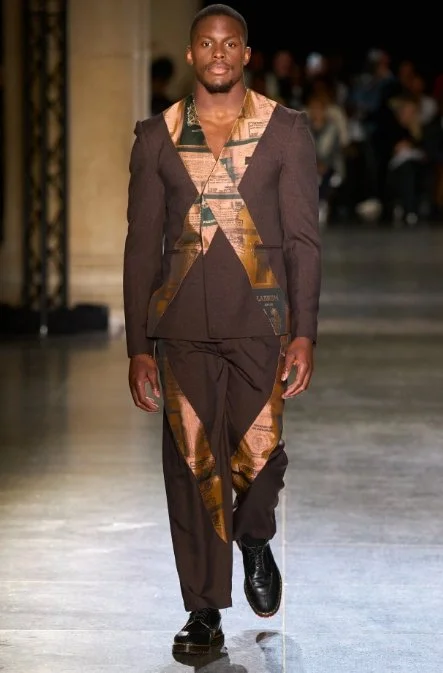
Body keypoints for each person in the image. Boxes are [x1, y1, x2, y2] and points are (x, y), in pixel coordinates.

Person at [123, 3, 321, 657]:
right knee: (192, 466)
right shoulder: (157, 135)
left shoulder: (284, 130)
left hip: (260, 324)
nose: (217, 53)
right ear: (191, 54)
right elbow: (140, 245)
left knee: (259, 461)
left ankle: (255, 535)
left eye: (229, 43)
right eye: (206, 43)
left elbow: (302, 238)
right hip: (180, 329)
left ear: (245, 54)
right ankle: (203, 608)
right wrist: (137, 346)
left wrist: (304, 331)